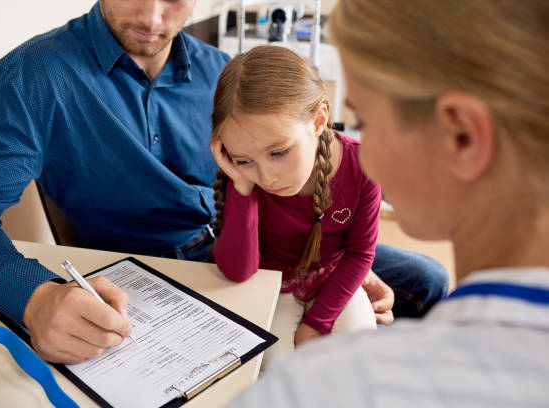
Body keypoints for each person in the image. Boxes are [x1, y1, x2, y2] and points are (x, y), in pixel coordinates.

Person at [0, 0, 444, 364]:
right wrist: (33, 295)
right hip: (160, 271)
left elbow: (277, 186)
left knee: (428, 282)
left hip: (273, 243)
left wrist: (332, 259)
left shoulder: (220, 72)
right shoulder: (34, 77)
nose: (152, 18)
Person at [226, 0, 549, 406]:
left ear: (463, 136)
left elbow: (360, 251)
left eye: (368, 121)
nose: (365, 153)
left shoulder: (302, 392)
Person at [210, 45, 378, 365]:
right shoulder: (246, 178)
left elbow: (360, 253)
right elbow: (238, 271)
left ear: (318, 121)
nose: (267, 177)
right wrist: (242, 189)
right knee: (274, 367)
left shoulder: (364, 166)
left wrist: (317, 323)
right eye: (244, 160)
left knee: (358, 359)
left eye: (279, 152)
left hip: (335, 278)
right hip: (271, 280)